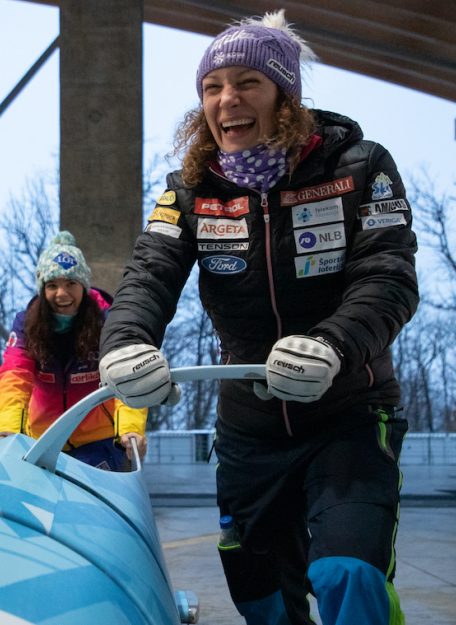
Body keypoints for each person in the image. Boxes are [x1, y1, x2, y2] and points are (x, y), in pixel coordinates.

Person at [98, 10, 418, 625]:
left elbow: (390, 277)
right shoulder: (190, 188)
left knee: (345, 572)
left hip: (348, 412)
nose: (228, 100)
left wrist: (332, 345)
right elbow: (148, 274)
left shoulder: (360, 167)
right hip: (251, 426)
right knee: (261, 598)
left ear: (286, 96)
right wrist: (124, 342)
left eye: (248, 82)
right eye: (213, 88)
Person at [0, 231, 147, 471]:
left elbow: (127, 375)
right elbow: (15, 375)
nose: (61, 294)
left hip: (100, 441)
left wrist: (130, 428)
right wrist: (8, 429)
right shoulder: (26, 324)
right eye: (52, 285)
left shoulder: (108, 321)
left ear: (84, 286)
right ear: (42, 290)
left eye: (71, 284)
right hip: (43, 440)